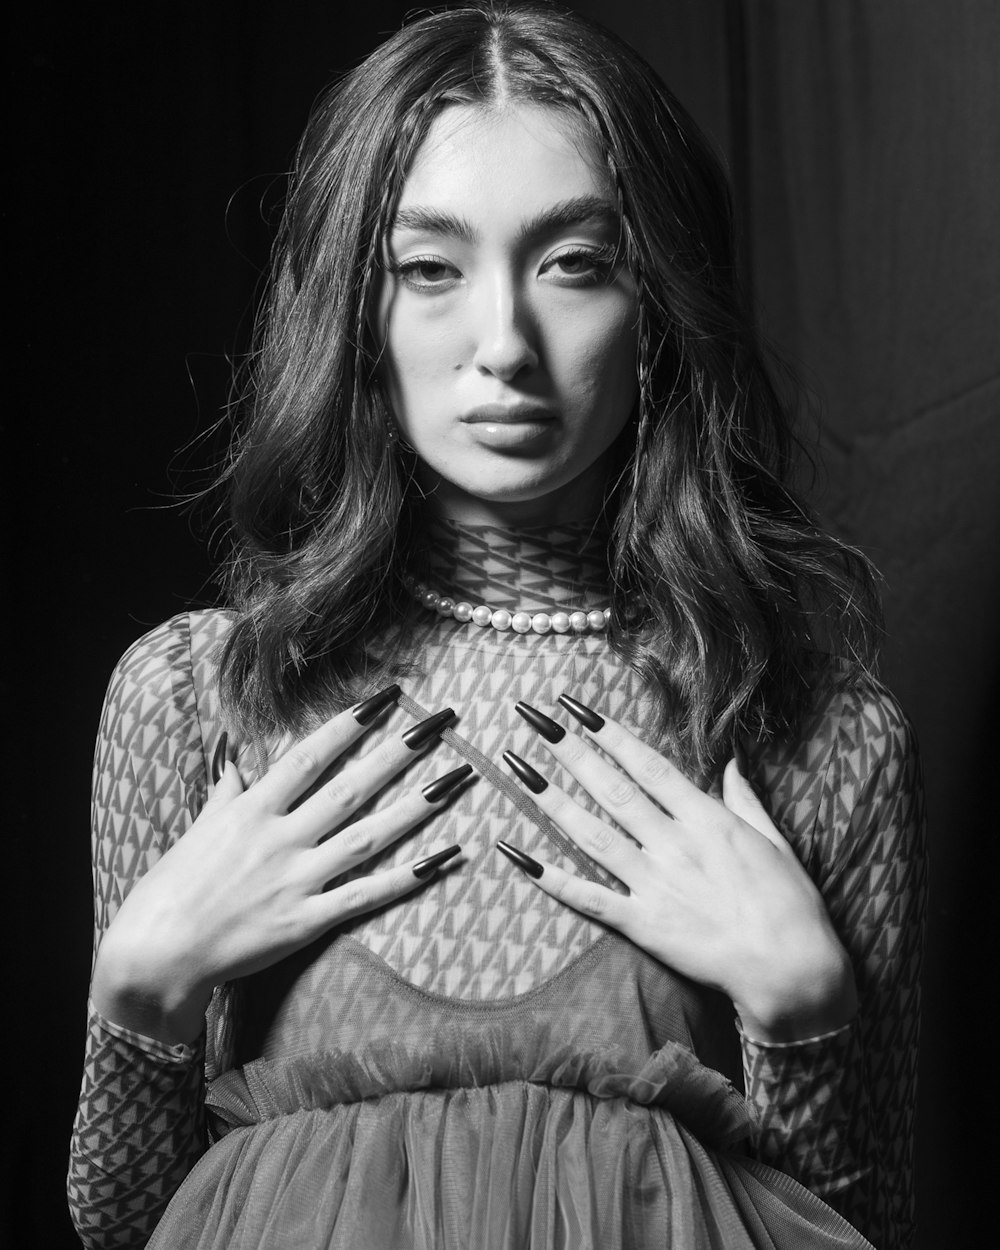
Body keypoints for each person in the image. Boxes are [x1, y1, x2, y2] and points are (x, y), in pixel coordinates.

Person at [67, 4, 926, 1248]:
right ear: (354, 310)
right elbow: (120, 1223)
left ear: (660, 300)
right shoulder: (200, 696)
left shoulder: (815, 731)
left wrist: (802, 1007)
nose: (504, 344)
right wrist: (140, 994)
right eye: (431, 268)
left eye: (576, 262)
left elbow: (863, 1228)